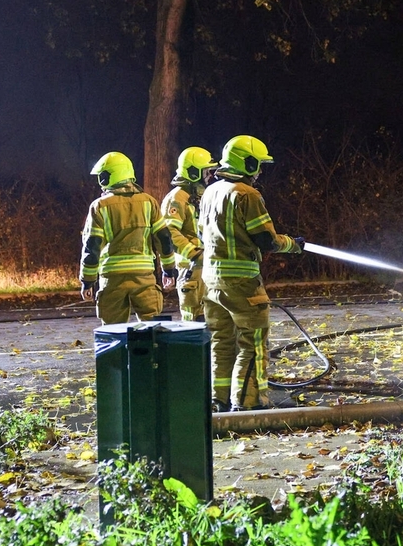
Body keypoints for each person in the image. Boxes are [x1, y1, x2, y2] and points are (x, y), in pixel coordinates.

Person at [199, 135, 303, 411]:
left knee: (221, 343)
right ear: (247, 162)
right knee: (252, 344)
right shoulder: (247, 194)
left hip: (210, 281)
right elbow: (266, 240)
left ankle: (217, 400)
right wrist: (294, 245)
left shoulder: (210, 192)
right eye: (258, 164)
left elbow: (201, 236)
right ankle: (247, 404)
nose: (259, 171)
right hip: (241, 282)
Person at [80, 151, 177, 324]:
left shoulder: (100, 206)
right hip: (144, 277)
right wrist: (169, 270)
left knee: (113, 334)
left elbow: (92, 247)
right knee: (152, 332)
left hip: (112, 279)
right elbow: (164, 239)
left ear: (108, 177)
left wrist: (87, 281)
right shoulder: (149, 202)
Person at [161, 147, 218, 322]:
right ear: (194, 173)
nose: (210, 175)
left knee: (214, 319)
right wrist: (194, 254)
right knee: (194, 319)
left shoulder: (202, 196)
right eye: (206, 171)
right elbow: (170, 232)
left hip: (209, 266)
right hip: (192, 269)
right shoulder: (177, 198)